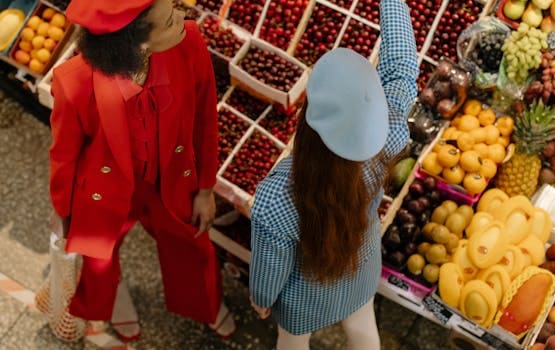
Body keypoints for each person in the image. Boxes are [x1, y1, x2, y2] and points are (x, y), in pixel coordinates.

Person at [47, 0, 235, 341]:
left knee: (193, 242)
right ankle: (112, 297)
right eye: (167, 20)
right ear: (133, 39)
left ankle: (206, 303)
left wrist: (206, 188)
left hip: (172, 176)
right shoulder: (73, 82)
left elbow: (206, 117)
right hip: (108, 188)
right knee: (101, 256)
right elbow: (63, 154)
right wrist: (62, 209)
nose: (182, 18)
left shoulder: (189, 41)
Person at [248, 0, 418, 348]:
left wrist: (261, 299)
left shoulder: (276, 197)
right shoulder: (392, 136)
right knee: (362, 327)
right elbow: (402, 66)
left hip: (303, 299)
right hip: (361, 271)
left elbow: (270, 268)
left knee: (292, 342)